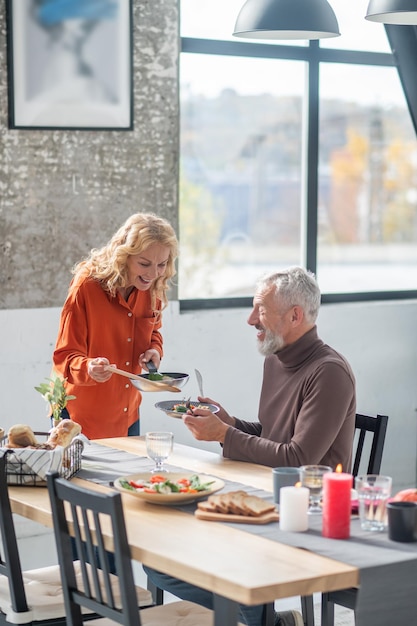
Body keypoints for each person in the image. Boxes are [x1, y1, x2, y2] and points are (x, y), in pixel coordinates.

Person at [144, 266, 356, 626]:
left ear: (295, 315)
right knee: (158, 557)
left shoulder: (329, 372)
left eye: (260, 309)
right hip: (261, 492)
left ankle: (256, 617)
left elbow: (298, 458)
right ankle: (266, 621)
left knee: (218, 555)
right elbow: (272, 433)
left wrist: (224, 435)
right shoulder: (277, 358)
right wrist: (226, 423)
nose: (250, 320)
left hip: (304, 508)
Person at [52, 212, 178, 440]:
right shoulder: (87, 286)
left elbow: (154, 332)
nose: (153, 273)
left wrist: (154, 350)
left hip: (128, 413)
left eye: (161, 264)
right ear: (123, 255)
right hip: (79, 418)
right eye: (144, 263)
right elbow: (65, 356)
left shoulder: (152, 285)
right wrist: (89, 368)